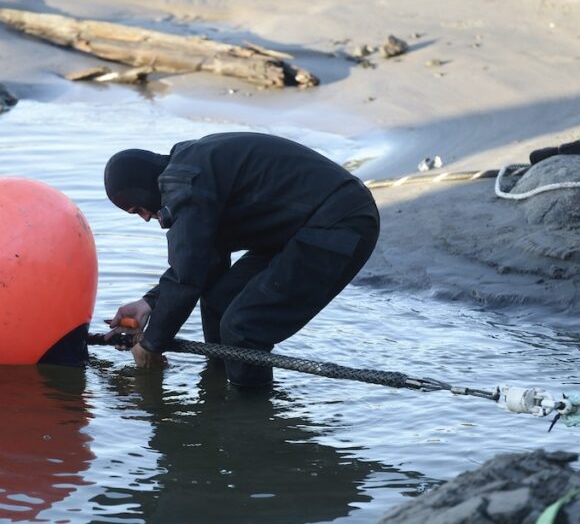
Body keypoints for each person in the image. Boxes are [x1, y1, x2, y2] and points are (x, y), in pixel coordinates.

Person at [103, 132, 380, 386]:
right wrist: (150, 302)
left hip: (341, 222)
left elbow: (187, 275)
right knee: (220, 300)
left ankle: (250, 421)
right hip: (300, 228)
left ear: (144, 189)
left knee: (243, 328)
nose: (146, 217)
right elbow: (200, 261)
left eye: (138, 209)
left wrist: (151, 343)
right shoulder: (191, 172)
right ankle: (218, 391)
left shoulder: (183, 184)